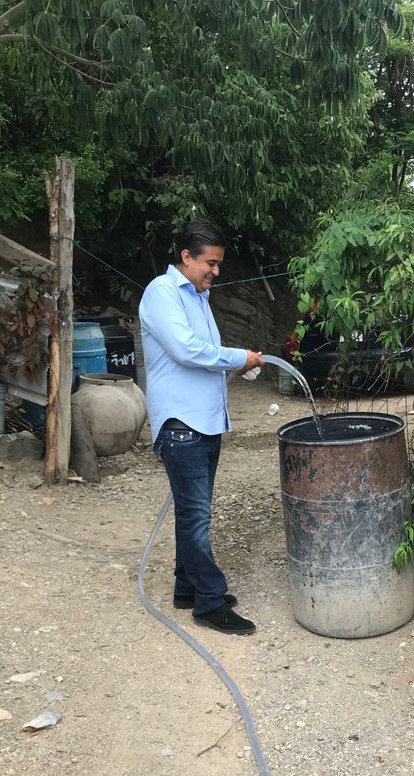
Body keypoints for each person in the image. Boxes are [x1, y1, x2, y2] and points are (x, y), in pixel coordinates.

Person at [140, 220, 264, 635]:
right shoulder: (162, 292)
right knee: (196, 517)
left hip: (204, 422)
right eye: (210, 263)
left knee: (192, 512)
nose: (216, 271)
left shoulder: (198, 297)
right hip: (182, 425)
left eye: (218, 263)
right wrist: (237, 357)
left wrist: (238, 365)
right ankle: (209, 602)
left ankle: (186, 588)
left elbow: (207, 354)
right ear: (186, 257)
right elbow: (187, 350)